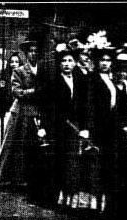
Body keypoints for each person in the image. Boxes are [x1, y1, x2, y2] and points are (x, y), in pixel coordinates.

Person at [40, 45, 92, 210]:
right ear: (59, 63)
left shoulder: (80, 81)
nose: (67, 64)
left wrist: (84, 127)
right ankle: (54, 198)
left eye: (70, 61)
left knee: (72, 163)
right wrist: (47, 126)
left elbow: (85, 106)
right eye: (64, 61)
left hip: (74, 128)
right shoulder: (53, 81)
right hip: (58, 127)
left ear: (75, 63)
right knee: (57, 161)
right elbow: (48, 107)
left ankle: (69, 199)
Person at [89, 47, 127, 220]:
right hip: (101, 129)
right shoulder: (93, 79)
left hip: (114, 131)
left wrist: (122, 125)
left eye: (108, 60)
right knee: (100, 168)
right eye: (102, 60)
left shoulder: (116, 80)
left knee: (113, 169)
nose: (105, 63)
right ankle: (98, 208)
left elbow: (121, 106)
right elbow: (92, 106)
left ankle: (111, 207)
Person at [0, 40, 41, 194]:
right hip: (20, 112)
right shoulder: (19, 71)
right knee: (14, 144)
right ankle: (6, 178)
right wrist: (35, 91)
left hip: (36, 112)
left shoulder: (43, 70)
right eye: (31, 51)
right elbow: (17, 91)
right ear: (26, 54)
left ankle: (28, 179)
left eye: (36, 51)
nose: (33, 53)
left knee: (32, 146)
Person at [0, 52, 22, 164]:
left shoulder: (21, 75)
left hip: (14, 110)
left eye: (16, 62)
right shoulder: (3, 76)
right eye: (12, 62)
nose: (14, 64)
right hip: (2, 110)